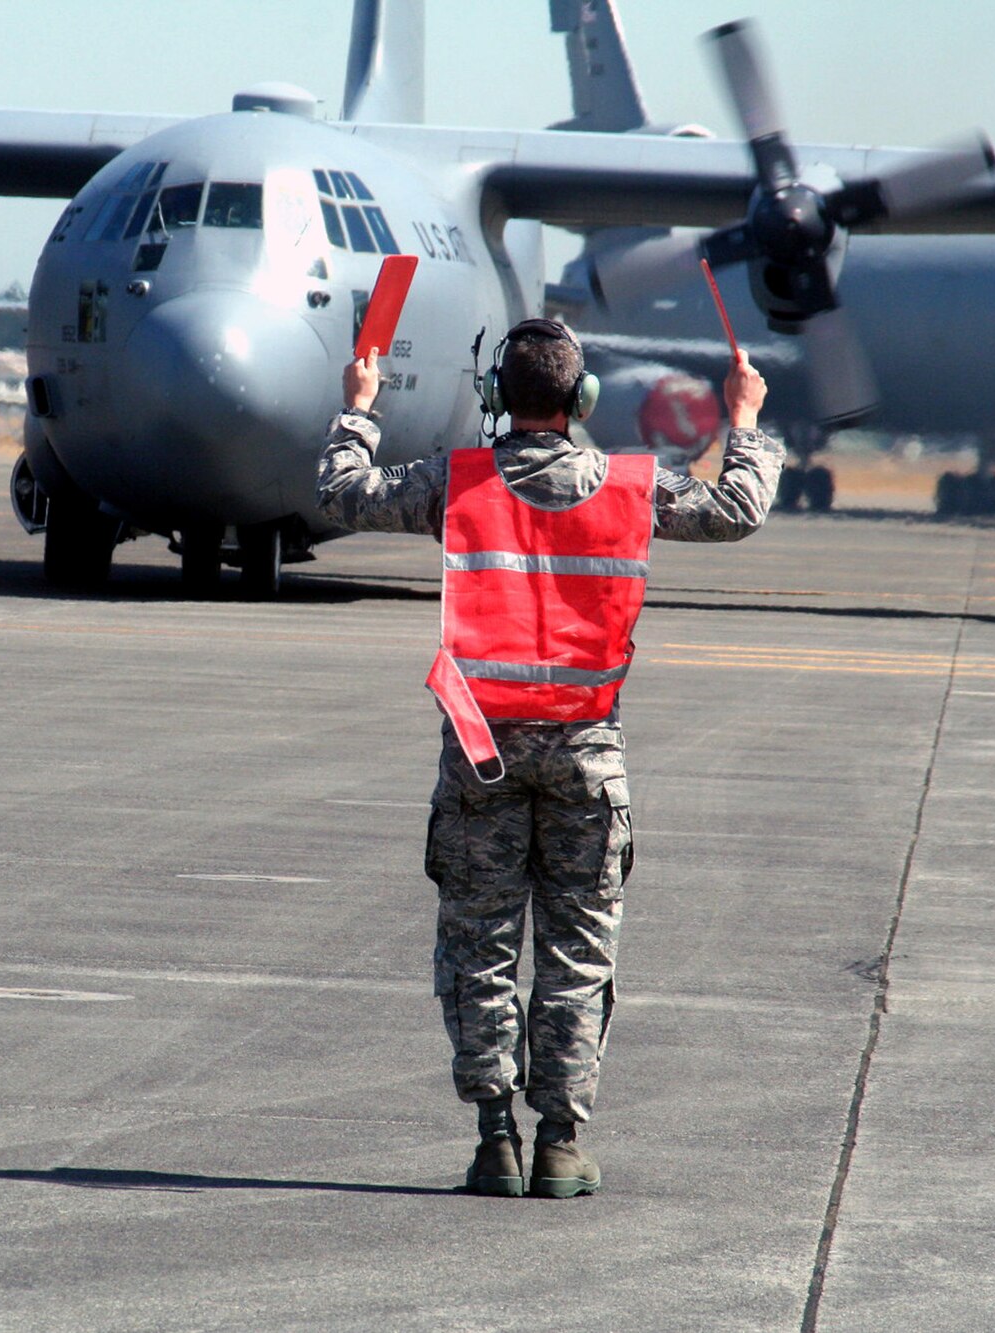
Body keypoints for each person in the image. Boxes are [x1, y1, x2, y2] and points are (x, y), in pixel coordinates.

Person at [316, 319, 784, 1198]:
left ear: (497, 398)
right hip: (585, 756)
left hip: (481, 754)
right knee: (576, 951)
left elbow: (342, 490)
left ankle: (495, 1138)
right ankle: (561, 1143)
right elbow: (738, 509)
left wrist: (360, 407)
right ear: (583, 402)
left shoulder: (456, 483)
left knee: (480, 945)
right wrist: (744, 418)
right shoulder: (632, 488)